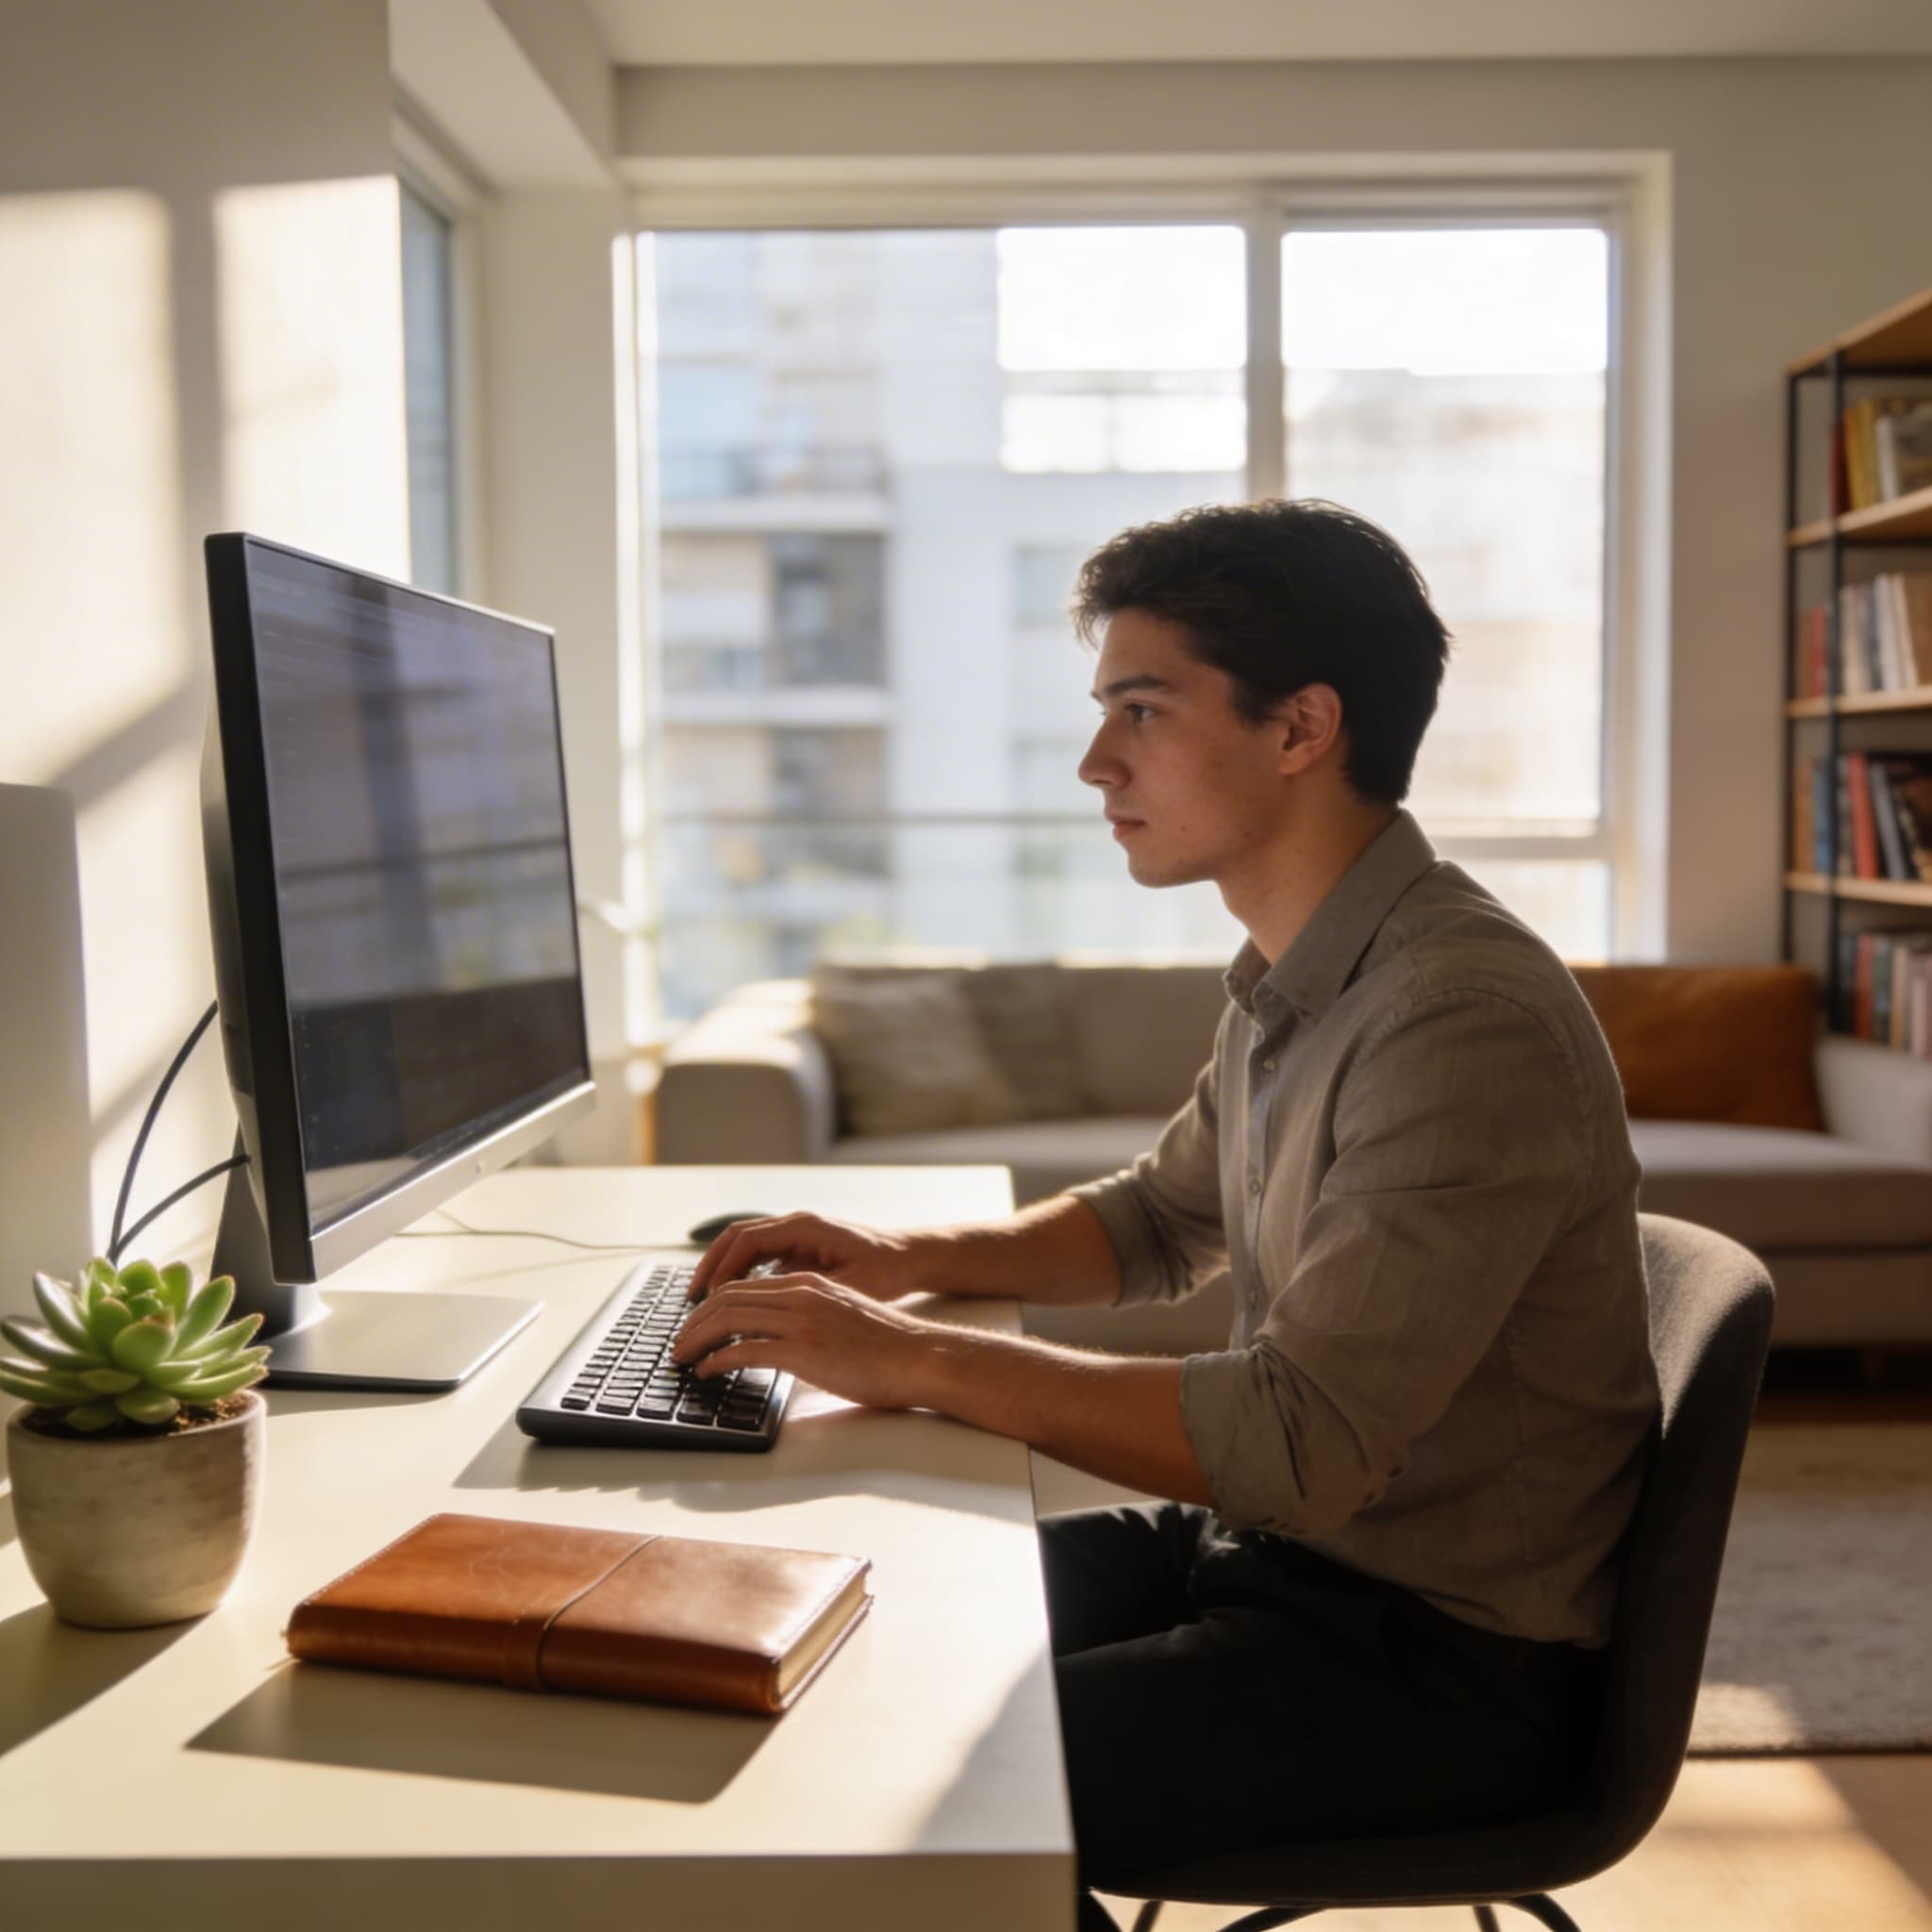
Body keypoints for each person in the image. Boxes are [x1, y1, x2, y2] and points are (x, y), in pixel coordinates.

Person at [673, 498, 1660, 1930]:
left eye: (1141, 709)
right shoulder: (1300, 970)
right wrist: (898, 1265)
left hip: (1442, 1667)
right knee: (841, 1632)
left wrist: (916, 1359)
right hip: (1284, 1571)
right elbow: (1156, 1220)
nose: (1094, 763)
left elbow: (1297, 1444)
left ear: (1300, 729)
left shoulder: (1459, 1017)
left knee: (887, 1786)